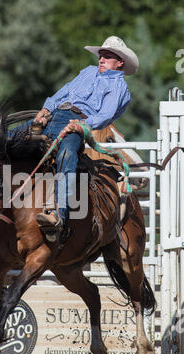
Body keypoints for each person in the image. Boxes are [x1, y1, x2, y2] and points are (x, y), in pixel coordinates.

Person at [33, 36, 139, 235]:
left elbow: (106, 114)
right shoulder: (88, 72)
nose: (101, 60)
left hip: (78, 122)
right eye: (101, 56)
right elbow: (64, 91)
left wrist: (82, 124)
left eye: (107, 57)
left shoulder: (119, 87)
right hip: (55, 114)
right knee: (11, 138)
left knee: (67, 154)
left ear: (120, 62)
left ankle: (59, 215)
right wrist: (46, 108)